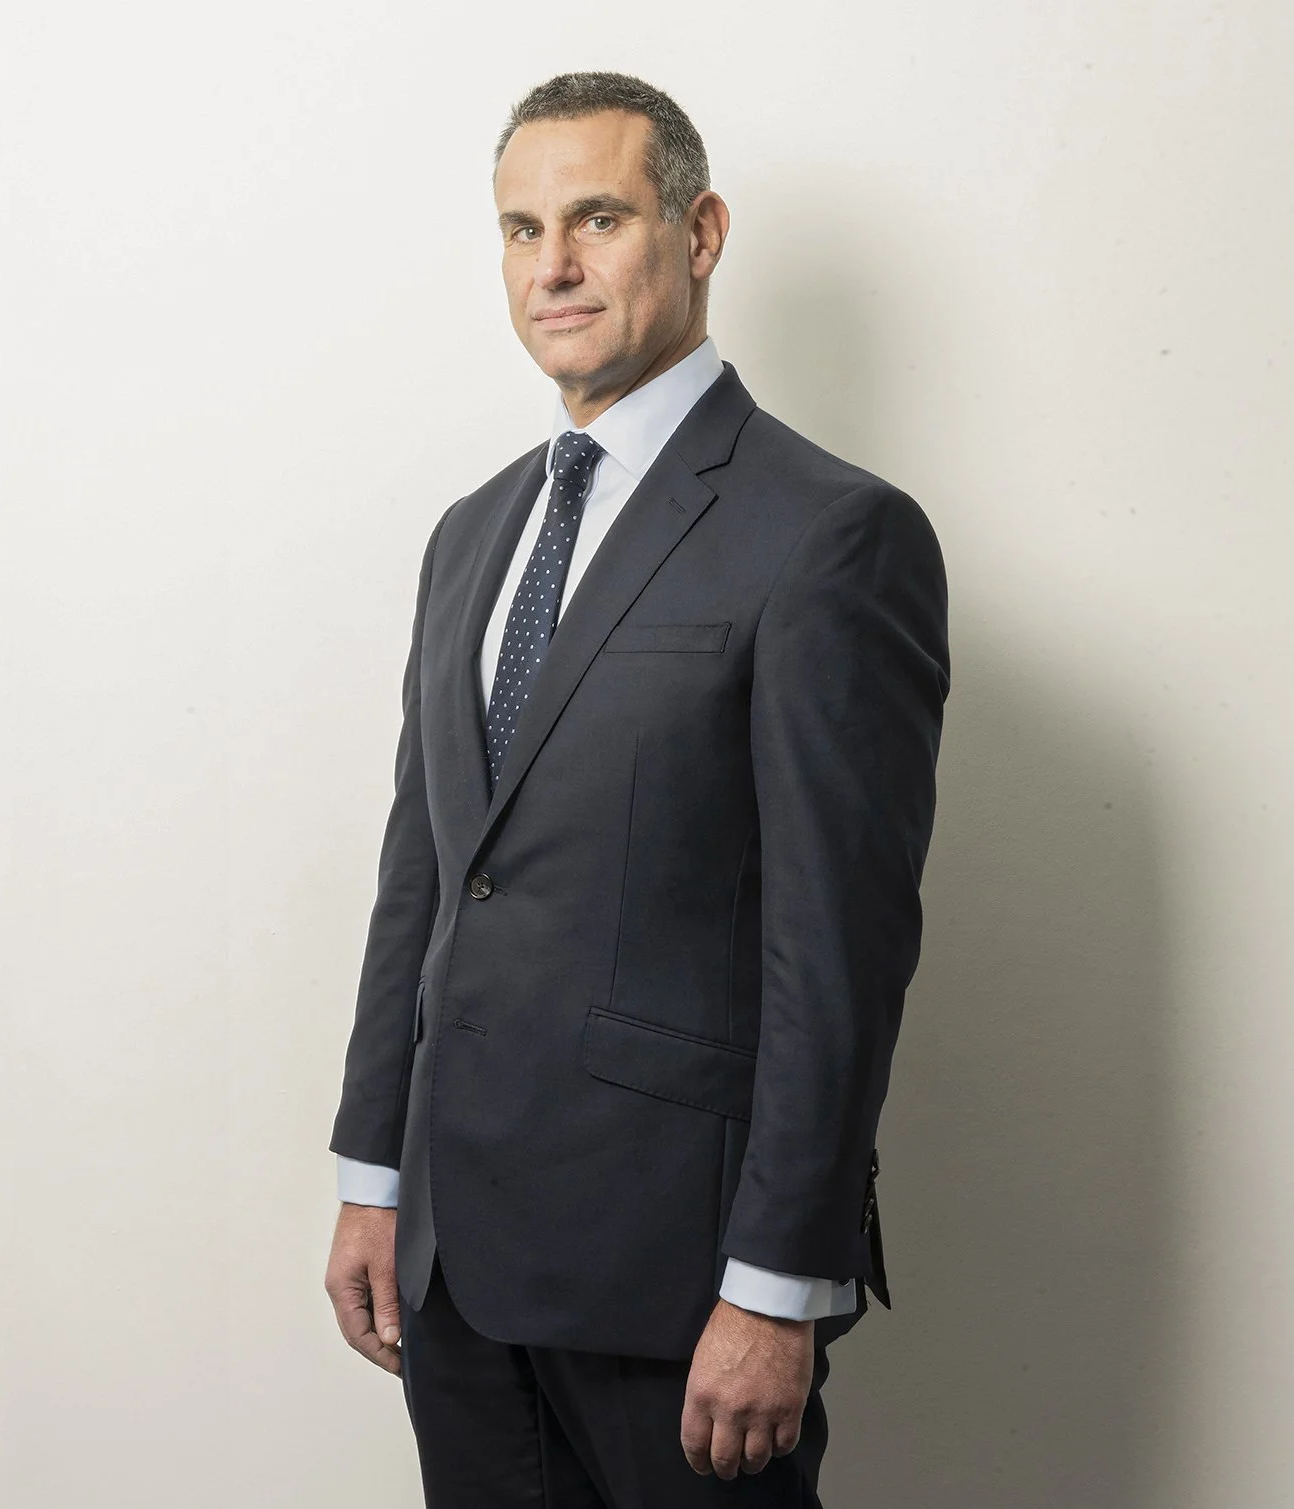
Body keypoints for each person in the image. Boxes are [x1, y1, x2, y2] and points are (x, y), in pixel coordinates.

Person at [323, 69, 949, 1507]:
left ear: (700, 229)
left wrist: (778, 1284)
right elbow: (423, 873)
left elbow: (837, 950)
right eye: (520, 228)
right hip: (457, 1270)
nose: (552, 266)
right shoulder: (473, 536)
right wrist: (374, 1174)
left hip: (678, 1284)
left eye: (597, 218)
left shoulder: (833, 536)